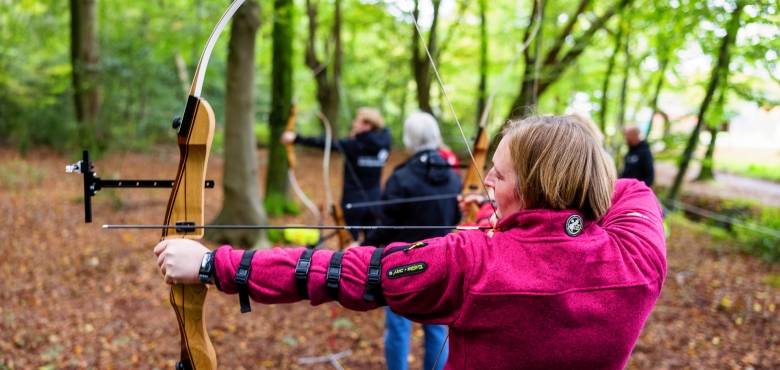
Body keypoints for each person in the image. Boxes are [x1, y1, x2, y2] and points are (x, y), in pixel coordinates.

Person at [156, 115, 667, 370]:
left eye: (500, 175)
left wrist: (212, 266)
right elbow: (627, 191)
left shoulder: (472, 260)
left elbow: (339, 272)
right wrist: (515, 211)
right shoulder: (638, 258)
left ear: (535, 188)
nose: (486, 180)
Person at [360, 112, 460, 370]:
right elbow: (455, 216)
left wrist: (362, 248)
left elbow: (385, 226)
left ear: (410, 138)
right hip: (441, 264)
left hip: (402, 266)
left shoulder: (402, 177)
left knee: (399, 329)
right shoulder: (452, 176)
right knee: (435, 328)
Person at [281, 107, 391, 240]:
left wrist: (296, 138)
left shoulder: (353, 145)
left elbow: (326, 143)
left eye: (358, 121)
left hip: (353, 203)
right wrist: (360, 136)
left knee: (350, 248)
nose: (354, 123)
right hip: (376, 202)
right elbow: (383, 132)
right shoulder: (384, 143)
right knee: (373, 248)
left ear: (368, 126)